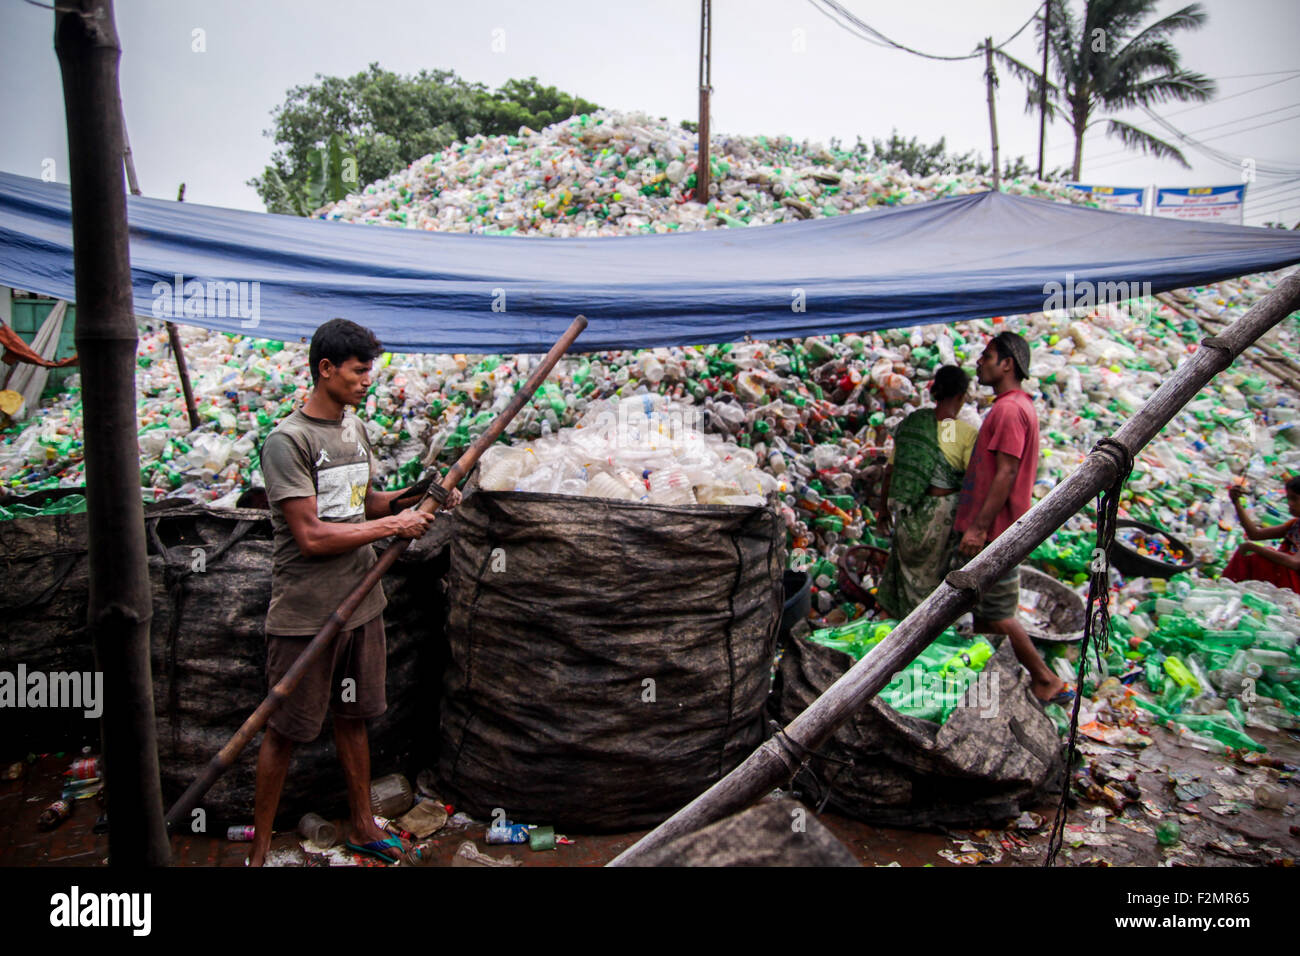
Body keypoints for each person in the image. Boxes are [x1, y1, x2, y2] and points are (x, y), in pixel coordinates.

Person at [248, 318, 460, 867]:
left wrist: (422, 496)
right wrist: (395, 528)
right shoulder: (287, 441)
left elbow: (367, 504)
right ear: (326, 369)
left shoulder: (353, 429)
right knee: (284, 730)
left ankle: (364, 825)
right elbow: (313, 535)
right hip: (308, 614)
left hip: (362, 602)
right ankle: (260, 851)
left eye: (371, 371)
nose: (368, 380)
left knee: (353, 716)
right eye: (359, 370)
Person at [951, 331, 1068, 704]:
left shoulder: (1009, 409)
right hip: (999, 530)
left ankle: (1046, 678)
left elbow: (1006, 472)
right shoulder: (1014, 406)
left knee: (998, 613)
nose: (979, 363)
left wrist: (979, 527)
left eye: (987, 356)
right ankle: (992, 686)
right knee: (984, 615)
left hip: (997, 532)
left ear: (1007, 364)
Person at [875, 365, 977, 619]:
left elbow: (891, 471)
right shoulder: (963, 433)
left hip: (907, 515)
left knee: (902, 573)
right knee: (931, 582)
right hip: (939, 520)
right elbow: (971, 483)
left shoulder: (913, 424)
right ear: (961, 396)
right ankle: (919, 630)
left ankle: (891, 628)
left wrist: (882, 511)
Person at [1222, 476, 1300, 594]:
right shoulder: (1295, 524)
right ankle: (1227, 588)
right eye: (1289, 498)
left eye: (1294, 499)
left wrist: (1254, 547)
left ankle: (1229, 589)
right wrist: (1236, 502)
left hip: (1295, 586)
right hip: (1287, 579)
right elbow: (1255, 534)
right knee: (1250, 554)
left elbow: (1295, 562)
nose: (1290, 504)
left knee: (1258, 555)